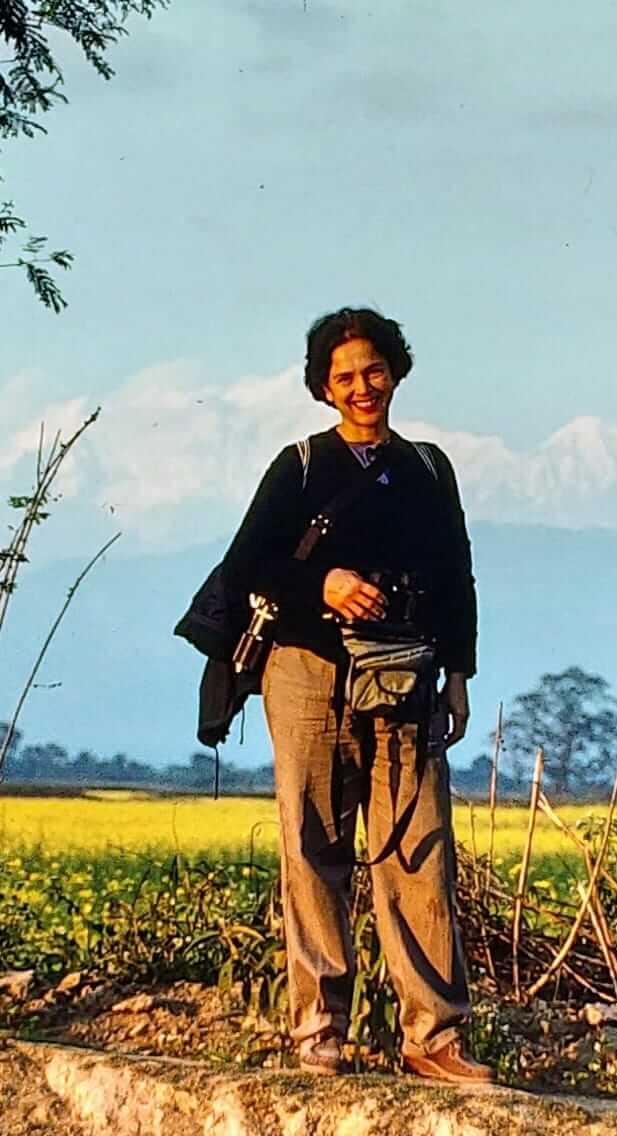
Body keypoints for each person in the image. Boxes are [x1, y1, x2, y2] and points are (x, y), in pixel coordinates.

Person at [219, 306, 492, 1085]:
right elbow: (246, 571)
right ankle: (319, 1035)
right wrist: (324, 584)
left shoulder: (429, 468)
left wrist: (460, 674)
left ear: (395, 371)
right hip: (307, 672)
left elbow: (457, 577)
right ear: (322, 388)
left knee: (419, 846)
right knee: (313, 847)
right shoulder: (300, 465)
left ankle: (433, 1038)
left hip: (407, 672)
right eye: (344, 377)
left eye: (373, 371)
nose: (362, 387)